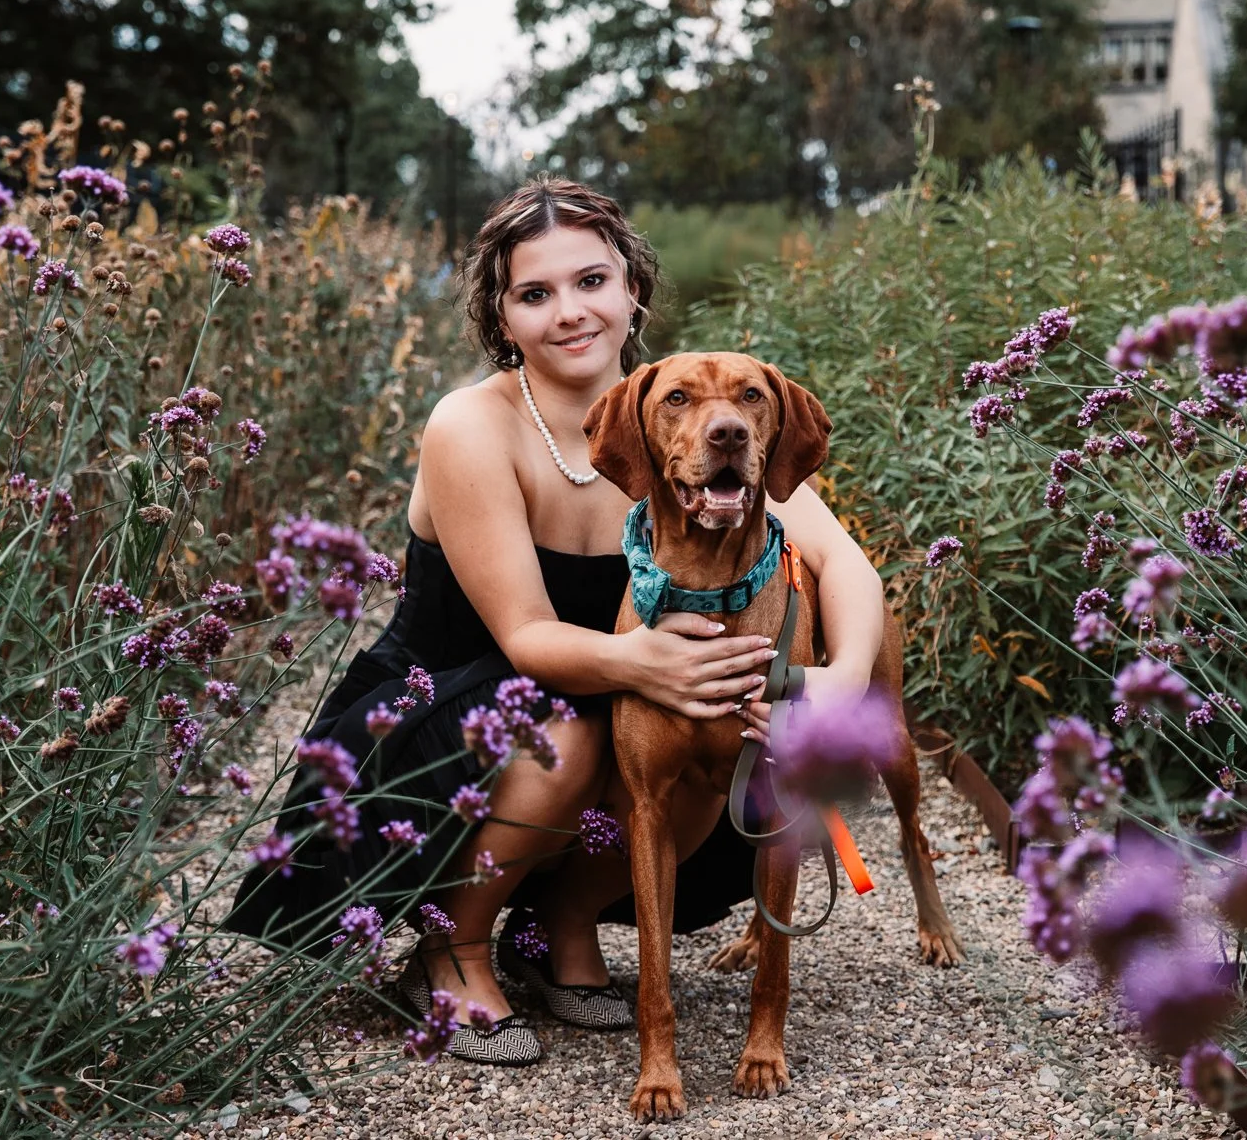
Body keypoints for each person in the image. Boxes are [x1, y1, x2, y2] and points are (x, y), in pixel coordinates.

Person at [224, 177, 885, 1064]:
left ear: (632, 289)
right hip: (458, 703)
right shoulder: (471, 426)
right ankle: (450, 948)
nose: (569, 312)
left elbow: (845, 564)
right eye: (535, 294)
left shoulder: (674, 410)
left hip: (614, 687)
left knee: (690, 734)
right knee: (569, 739)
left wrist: (836, 682)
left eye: (591, 281)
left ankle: (559, 931)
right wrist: (648, 663)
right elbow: (528, 640)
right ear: (502, 318)